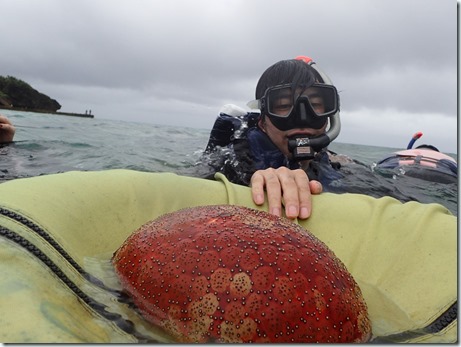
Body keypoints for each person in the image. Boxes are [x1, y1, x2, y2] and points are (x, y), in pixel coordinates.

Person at [200, 56, 346, 220]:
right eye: (284, 105)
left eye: (316, 104)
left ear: (330, 116)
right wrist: (254, 183)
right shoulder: (233, 165)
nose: (303, 118)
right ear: (262, 122)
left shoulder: (334, 163)